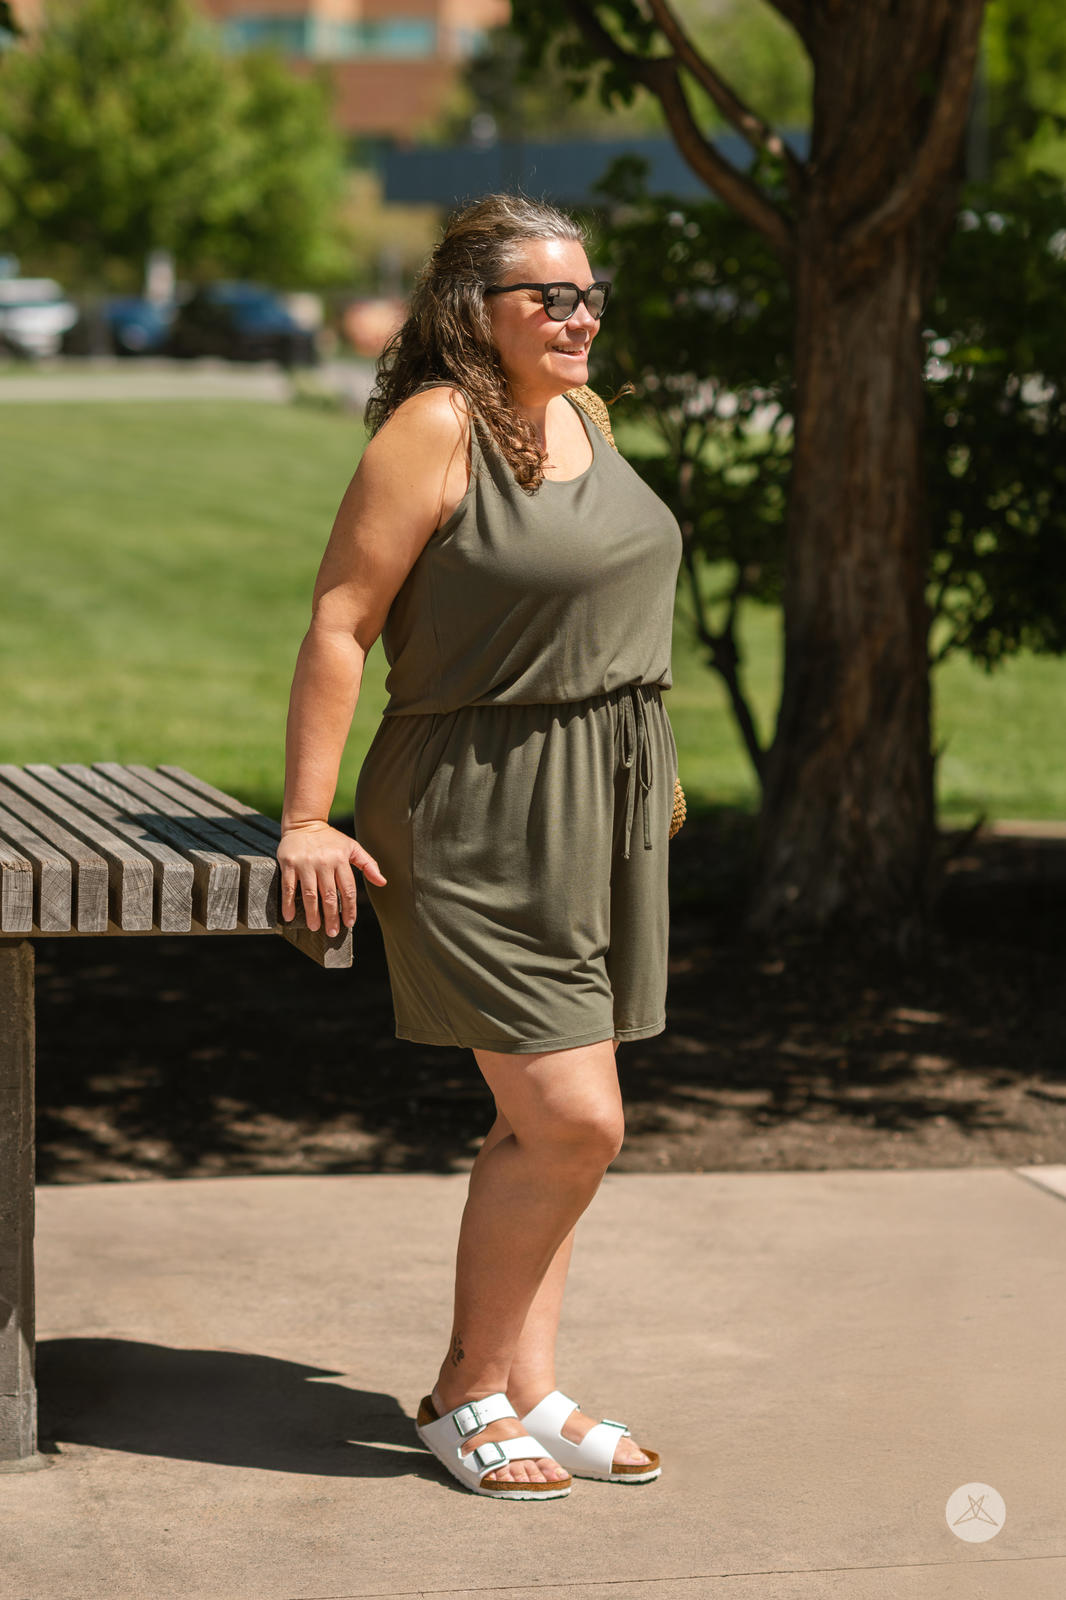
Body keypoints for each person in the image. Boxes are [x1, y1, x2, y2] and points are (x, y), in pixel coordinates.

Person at [277, 194, 682, 1501]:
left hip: (600, 805)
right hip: (474, 809)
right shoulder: (436, 428)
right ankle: (464, 1388)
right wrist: (306, 818)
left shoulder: (583, 415)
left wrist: (640, 766)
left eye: (587, 293)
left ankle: (529, 1388)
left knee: (541, 1129)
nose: (579, 316)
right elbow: (341, 622)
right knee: (574, 1122)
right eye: (547, 298)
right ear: (472, 312)